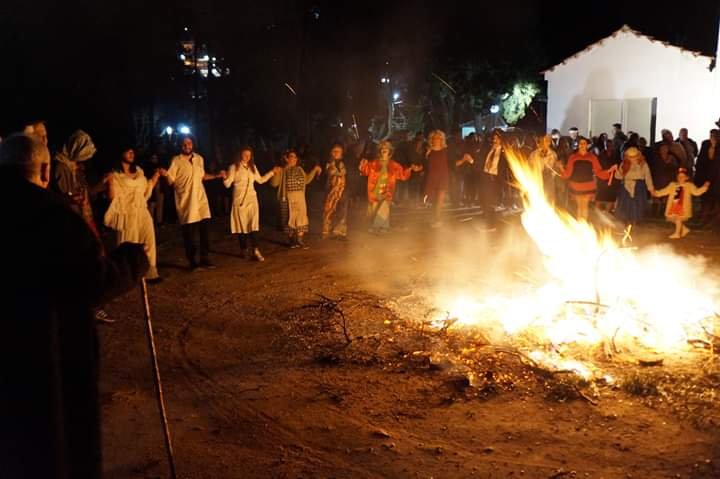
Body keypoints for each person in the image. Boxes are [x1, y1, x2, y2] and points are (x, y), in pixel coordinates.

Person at [0, 133, 148, 479]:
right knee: (50, 450)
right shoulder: (53, 217)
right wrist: (131, 260)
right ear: (45, 170)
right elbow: (93, 281)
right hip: (42, 360)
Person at [160, 136, 225, 271]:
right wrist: (165, 174)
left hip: (200, 200)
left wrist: (216, 176)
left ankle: (204, 258)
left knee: (204, 231)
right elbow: (170, 181)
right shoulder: (176, 160)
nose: (187, 145)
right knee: (189, 233)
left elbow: (202, 177)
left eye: (189, 143)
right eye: (184, 144)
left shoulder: (199, 159)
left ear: (193, 144)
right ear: (180, 146)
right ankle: (192, 261)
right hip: (186, 202)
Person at [104, 146, 162, 281]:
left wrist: (155, 176)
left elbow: (145, 191)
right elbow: (112, 198)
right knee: (129, 243)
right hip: (127, 213)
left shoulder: (139, 171)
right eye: (128, 151)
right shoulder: (116, 175)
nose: (131, 153)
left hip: (142, 210)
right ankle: (128, 276)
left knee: (148, 240)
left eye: (132, 151)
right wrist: (111, 182)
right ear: (121, 153)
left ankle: (150, 272)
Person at [223, 146, 278, 261]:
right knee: (242, 226)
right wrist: (224, 177)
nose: (247, 157)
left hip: (252, 199)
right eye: (245, 155)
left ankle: (255, 250)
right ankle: (244, 249)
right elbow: (227, 184)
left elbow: (260, 180)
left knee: (253, 225)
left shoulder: (253, 167)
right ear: (240, 155)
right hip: (239, 201)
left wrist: (272, 172)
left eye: (249, 155)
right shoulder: (234, 167)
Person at [359, 140, 421, 233]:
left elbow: (403, 175)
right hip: (374, 191)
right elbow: (365, 171)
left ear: (390, 151)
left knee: (384, 207)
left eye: (386, 148)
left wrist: (410, 169)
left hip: (387, 191)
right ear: (380, 151)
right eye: (382, 148)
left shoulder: (394, 165)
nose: (384, 150)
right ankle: (384, 227)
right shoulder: (373, 163)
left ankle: (376, 227)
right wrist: (362, 165)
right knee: (375, 209)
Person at [271, 149, 322, 248]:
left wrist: (314, 170)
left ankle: (300, 240)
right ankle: (291, 241)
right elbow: (274, 184)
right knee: (289, 219)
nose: (294, 159)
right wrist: (275, 173)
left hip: (300, 198)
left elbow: (306, 180)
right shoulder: (282, 170)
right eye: (291, 156)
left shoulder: (299, 169)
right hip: (287, 198)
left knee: (301, 218)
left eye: (295, 157)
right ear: (286, 158)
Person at [560, 137, 617, 221]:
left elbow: (598, 171)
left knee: (585, 207)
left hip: (588, 185)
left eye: (584, 143)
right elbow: (568, 172)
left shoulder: (592, 157)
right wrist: (561, 168)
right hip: (577, 186)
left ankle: (583, 225)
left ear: (587, 145)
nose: (582, 145)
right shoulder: (573, 157)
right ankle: (581, 225)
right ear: (578, 145)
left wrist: (609, 171)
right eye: (581, 143)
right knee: (580, 207)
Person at [653, 168, 709, 239]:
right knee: (674, 219)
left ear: (686, 178)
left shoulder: (689, 186)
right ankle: (684, 229)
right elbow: (664, 191)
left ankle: (677, 233)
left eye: (682, 177)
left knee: (678, 219)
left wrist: (704, 188)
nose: (680, 178)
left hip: (682, 207)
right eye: (679, 177)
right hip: (673, 206)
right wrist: (656, 193)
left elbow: (696, 192)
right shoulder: (672, 185)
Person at [614, 147, 654, 226]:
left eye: (634, 157)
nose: (632, 159)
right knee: (626, 205)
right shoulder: (624, 164)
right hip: (625, 187)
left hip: (638, 187)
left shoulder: (643, 164)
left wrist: (651, 189)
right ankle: (626, 222)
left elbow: (648, 176)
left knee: (636, 205)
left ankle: (635, 222)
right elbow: (618, 176)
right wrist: (616, 170)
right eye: (630, 157)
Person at [424, 130, 452, 226]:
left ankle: (437, 219)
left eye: (439, 138)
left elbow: (450, 164)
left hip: (443, 177)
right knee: (433, 200)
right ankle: (433, 217)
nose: (437, 140)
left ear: (442, 140)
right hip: (431, 178)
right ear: (431, 139)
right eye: (435, 138)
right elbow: (425, 165)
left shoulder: (446, 151)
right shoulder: (428, 151)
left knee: (440, 200)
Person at [322, 142, 349, 239]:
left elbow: (345, 173)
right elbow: (328, 174)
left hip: (342, 190)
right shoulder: (329, 163)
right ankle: (327, 230)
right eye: (334, 151)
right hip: (331, 190)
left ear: (342, 152)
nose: (336, 153)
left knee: (341, 210)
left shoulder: (345, 162)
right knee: (329, 209)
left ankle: (339, 232)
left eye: (338, 151)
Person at [694, 129, 720, 227]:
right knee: (706, 199)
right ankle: (704, 219)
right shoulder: (705, 144)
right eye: (711, 135)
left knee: (716, 200)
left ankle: (714, 222)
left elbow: (716, 163)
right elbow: (701, 160)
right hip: (705, 177)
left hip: (716, 179)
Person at [529, 134, 561, 204]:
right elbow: (529, 167)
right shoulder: (533, 154)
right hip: (536, 178)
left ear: (549, 143)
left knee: (549, 199)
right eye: (542, 141)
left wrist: (551, 176)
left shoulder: (553, 154)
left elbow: (555, 168)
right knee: (537, 198)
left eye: (546, 141)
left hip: (549, 180)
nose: (544, 143)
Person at [593, 133, 619, 212]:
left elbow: (619, 165)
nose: (609, 147)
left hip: (613, 180)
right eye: (607, 145)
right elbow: (597, 167)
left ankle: (607, 213)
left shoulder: (616, 155)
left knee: (610, 199)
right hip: (602, 179)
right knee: (600, 197)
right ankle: (597, 214)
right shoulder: (601, 155)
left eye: (611, 145)